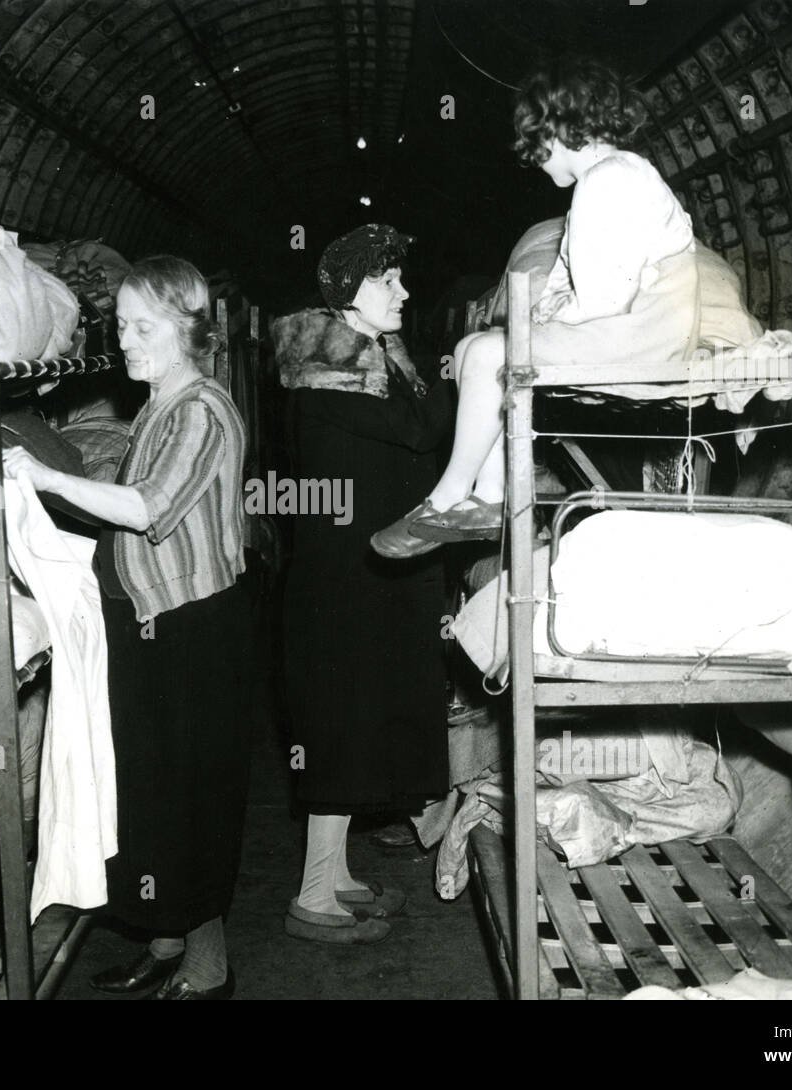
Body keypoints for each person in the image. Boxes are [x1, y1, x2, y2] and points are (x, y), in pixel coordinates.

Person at [2, 255, 249, 1000]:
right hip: (150, 626)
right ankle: (168, 942)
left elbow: (148, 508)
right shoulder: (159, 403)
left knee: (190, 792)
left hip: (190, 631)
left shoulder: (200, 409)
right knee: (149, 791)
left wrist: (44, 480)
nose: (126, 340)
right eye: (121, 325)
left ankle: (210, 968)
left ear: (187, 330)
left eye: (144, 327)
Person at [372, 57, 699, 556]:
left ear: (559, 127)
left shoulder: (607, 179)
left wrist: (547, 319)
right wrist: (547, 313)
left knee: (484, 354)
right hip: (634, 325)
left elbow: (607, 299)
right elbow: (585, 282)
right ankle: (489, 495)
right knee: (469, 350)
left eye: (537, 144)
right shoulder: (616, 174)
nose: (535, 159)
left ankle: (446, 496)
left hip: (641, 333)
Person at [272, 224, 452, 944]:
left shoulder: (371, 361)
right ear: (349, 294)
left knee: (356, 727)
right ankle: (312, 898)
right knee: (341, 732)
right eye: (389, 280)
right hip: (340, 592)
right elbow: (422, 428)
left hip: (371, 579)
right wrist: (471, 363)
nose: (404, 291)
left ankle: (337, 876)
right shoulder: (326, 379)